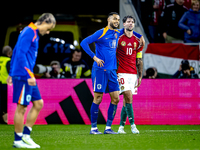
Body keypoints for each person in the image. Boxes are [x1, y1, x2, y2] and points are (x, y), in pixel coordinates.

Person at [81, 12, 144, 134]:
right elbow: (84, 43)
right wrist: (94, 57)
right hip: (99, 70)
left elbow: (127, 29)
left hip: (112, 71)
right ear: (108, 19)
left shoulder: (116, 33)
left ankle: (108, 128)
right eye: (115, 19)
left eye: (118, 19)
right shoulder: (101, 32)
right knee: (98, 98)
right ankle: (93, 128)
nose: (117, 21)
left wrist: (139, 35)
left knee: (115, 99)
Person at [7, 13, 56, 148]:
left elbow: (16, 50)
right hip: (24, 75)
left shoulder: (30, 32)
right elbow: (20, 54)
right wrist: (29, 75)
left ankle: (26, 136)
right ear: (44, 21)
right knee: (21, 107)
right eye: (48, 28)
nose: (47, 32)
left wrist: (11, 72)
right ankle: (18, 140)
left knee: (38, 103)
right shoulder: (29, 32)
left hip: (23, 73)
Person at [116, 15, 144, 134]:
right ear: (124, 24)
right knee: (128, 96)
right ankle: (133, 126)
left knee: (126, 101)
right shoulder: (118, 38)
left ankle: (121, 127)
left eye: (132, 22)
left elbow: (139, 59)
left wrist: (140, 75)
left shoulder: (138, 40)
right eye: (128, 22)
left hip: (133, 74)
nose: (130, 23)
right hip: (121, 72)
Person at [0, 46, 12, 124]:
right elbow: (11, 72)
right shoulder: (8, 61)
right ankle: (6, 119)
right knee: (5, 103)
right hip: (5, 85)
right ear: (8, 53)